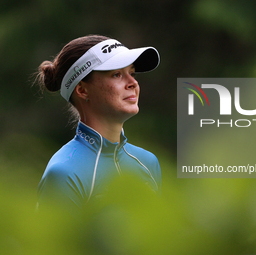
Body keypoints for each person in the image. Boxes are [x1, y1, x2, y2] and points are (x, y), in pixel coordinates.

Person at [35, 35, 162, 215]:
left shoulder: (149, 163)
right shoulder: (64, 173)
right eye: (116, 74)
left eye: (132, 73)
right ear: (82, 90)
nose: (133, 83)